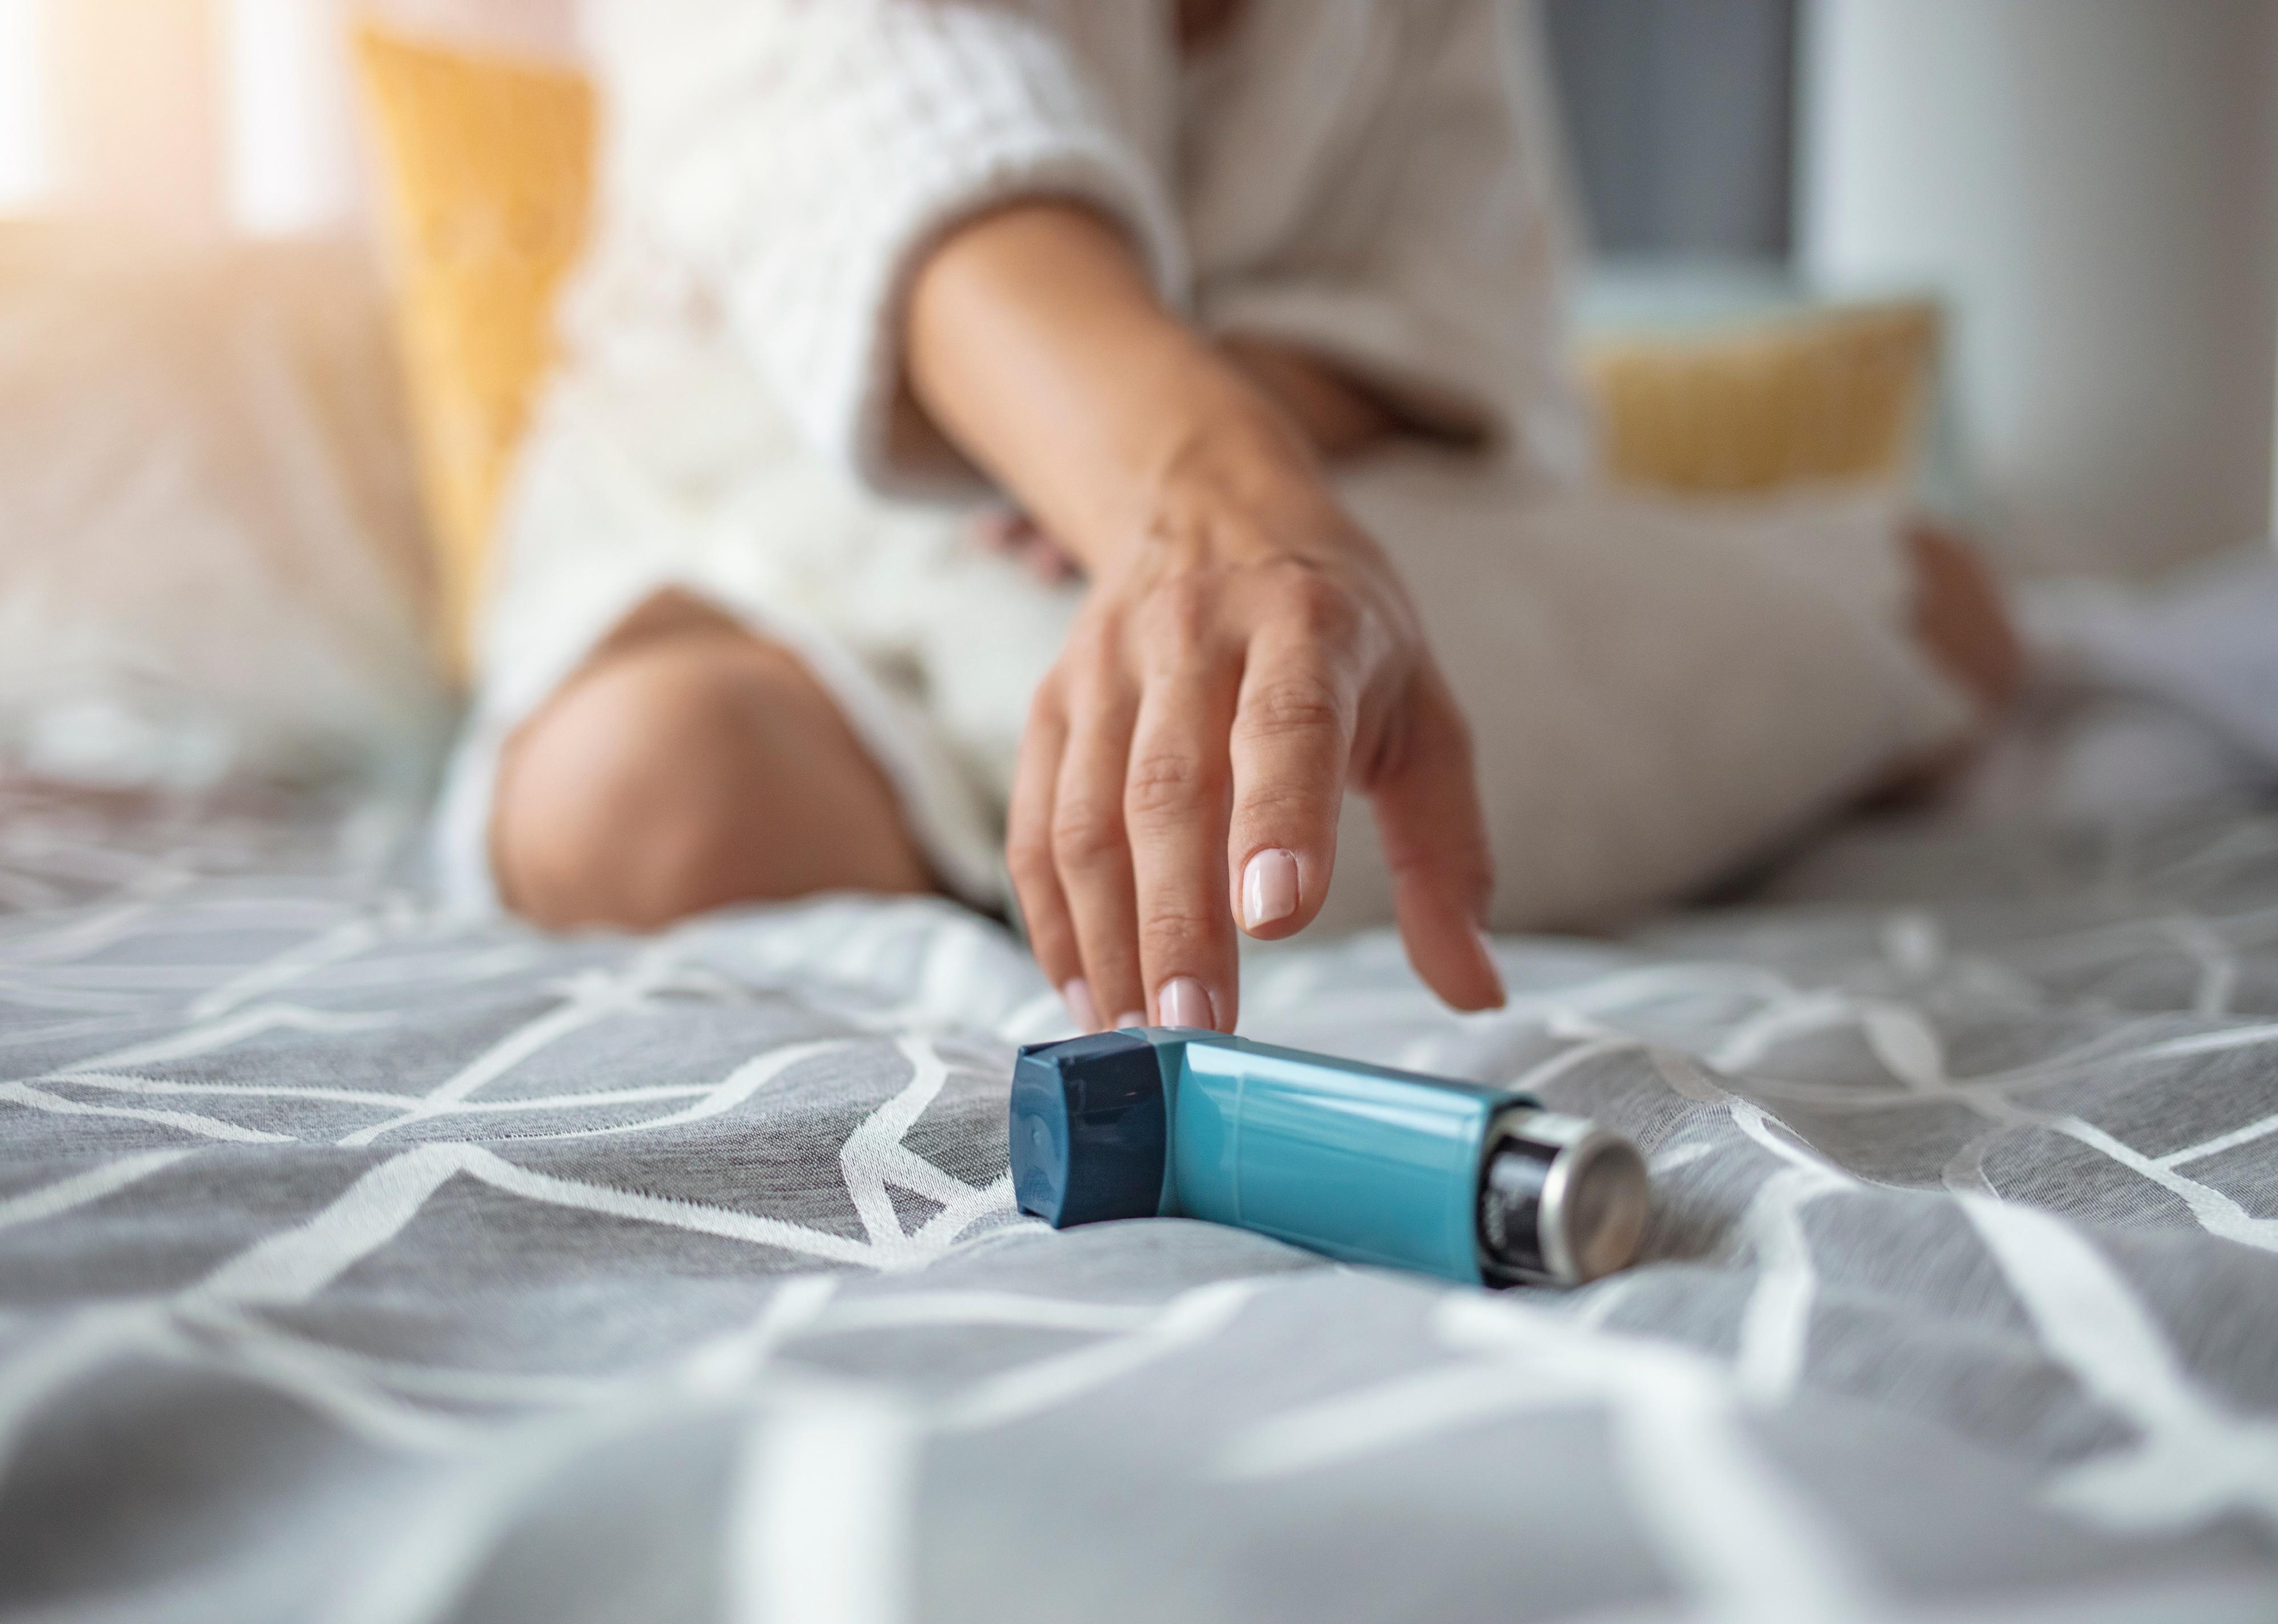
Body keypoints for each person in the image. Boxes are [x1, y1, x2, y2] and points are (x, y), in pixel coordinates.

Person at [435, 0, 2018, 1035]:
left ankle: (1092, 813)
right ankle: (1026, 842)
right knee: (644, 796)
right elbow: (902, 143)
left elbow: (1468, 321)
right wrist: (1194, 487)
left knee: (1931, 608)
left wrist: (1247, 424)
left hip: (1317, 507)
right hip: (772, 524)